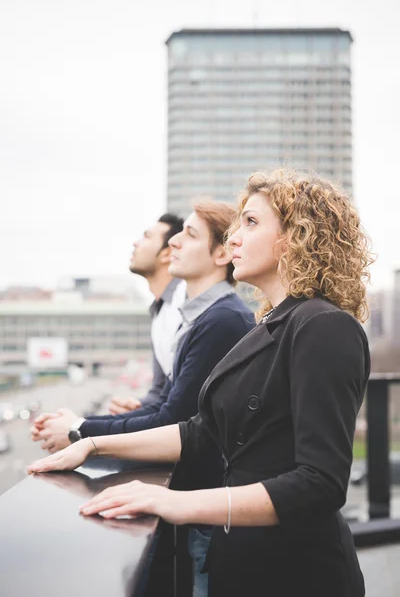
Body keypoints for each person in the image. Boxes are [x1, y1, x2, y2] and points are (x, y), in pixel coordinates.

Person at [28, 169, 373, 597]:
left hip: (297, 574)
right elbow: (202, 432)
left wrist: (172, 502)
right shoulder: (268, 326)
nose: (233, 239)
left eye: (250, 222)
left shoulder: (323, 326)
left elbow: (320, 484)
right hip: (242, 564)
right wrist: (92, 444)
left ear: (296, 235)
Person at [31, 213, 185, 452]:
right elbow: (163, 393)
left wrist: (77, 428)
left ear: (167, 252)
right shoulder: (161, 309)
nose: (135, 243)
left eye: (146, 237)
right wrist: (139, 407)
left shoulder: (184, 305)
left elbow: (176, 413)